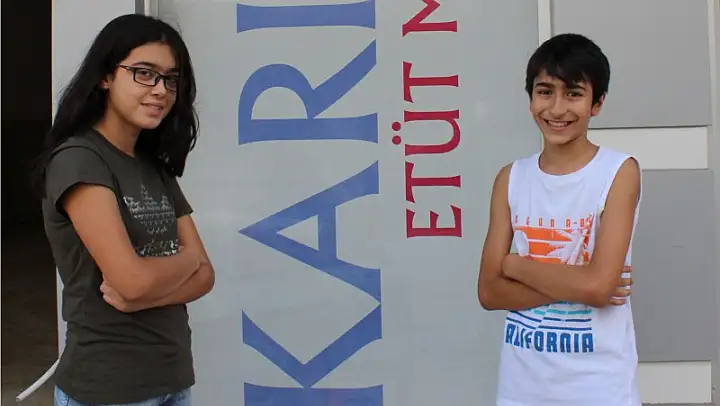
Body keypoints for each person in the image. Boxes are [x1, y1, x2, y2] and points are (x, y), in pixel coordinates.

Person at [36, 14, 214, 406]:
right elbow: (133, 280)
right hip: (109, 388)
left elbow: (205, 275)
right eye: (144, 73)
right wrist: (185, 260)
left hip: (172, 380)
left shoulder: (153, 166)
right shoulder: (80, 160)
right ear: (105, 76)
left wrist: (146, 294)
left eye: (170, 79)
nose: (160, 90)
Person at [477, 33, 642, 406]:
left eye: (573, 94)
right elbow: (489, 292)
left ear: (597, 103)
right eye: (545, 91)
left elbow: (598, 289)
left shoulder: (618, 172)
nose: (556, 108)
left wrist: (515, 266)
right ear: (530, 98)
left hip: (599, 388)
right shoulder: (510, 178)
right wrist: (580, 282)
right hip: (521, 388)